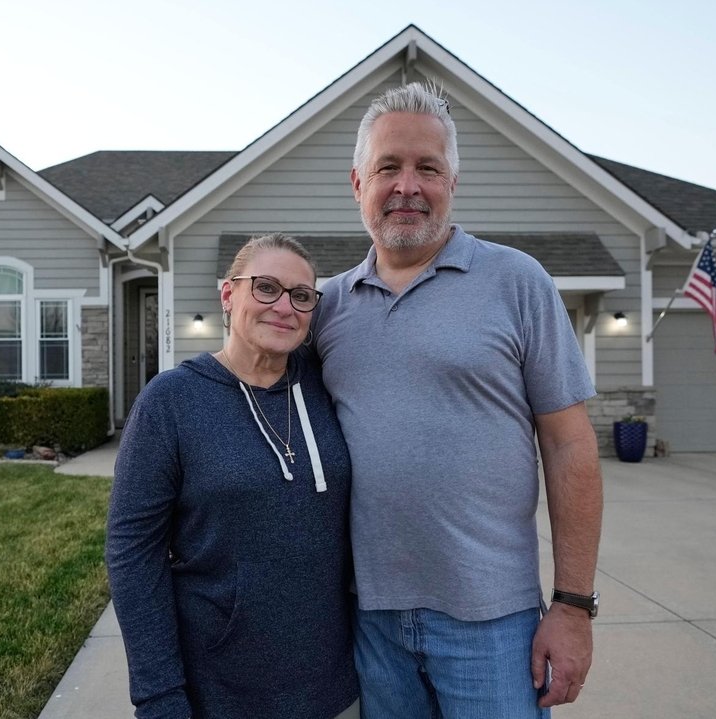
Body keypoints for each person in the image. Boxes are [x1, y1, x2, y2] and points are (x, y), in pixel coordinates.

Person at [313, 82, 603, 718]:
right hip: (371, 622)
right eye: (388, 167)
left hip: (495, 625)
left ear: (453, 182)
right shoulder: (326, 306)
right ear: (357, 182)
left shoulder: (517, 282)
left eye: (428, 168)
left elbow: (569, 445)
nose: (407, 186)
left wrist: (573, 605)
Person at [106, 234, 359, 719]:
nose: (284, 307)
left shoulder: (327, 385)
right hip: (220, 689)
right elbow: (133, 552)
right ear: (228, 294)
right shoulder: (171, 401)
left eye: (301, 295)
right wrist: (159, 694)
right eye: (266, 287)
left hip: (334, 682)